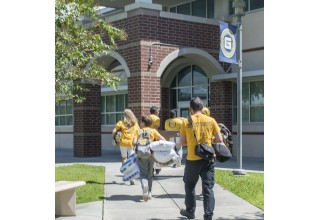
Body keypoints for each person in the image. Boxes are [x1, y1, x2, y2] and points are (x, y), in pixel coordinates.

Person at [179, 97, 223, 220]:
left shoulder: (186, 121)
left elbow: (182, 142)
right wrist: (208, 141)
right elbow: (220, 139)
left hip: (193, 158)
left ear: (190, 109)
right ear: (202, 108)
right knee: (208, 187)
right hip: (208, 158)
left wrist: (193, 141)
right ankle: (208, 215)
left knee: (190, 185)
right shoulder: (211, 120)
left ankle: (190, 211)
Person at [134, 115, 166, 202]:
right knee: (150, 175)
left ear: (143, 123)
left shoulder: (138, 131)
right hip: (151, 155)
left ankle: (144, 188)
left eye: (141, 122)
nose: (140, 123)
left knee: (143, 174)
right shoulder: (153, 131)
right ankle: (150, 192)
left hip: (141, 156)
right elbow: (163, 139)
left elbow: (134, 142)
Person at [112, 109, 140, 185]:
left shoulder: (121, 122)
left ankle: (125, 174)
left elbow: (114, 131)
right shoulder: (135, 123)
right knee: (132, 160)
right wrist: (136, 140)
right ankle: (131, 177)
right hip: (131, 143)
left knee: (124, 158)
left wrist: (114, 137)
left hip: (123, 143)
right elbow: (138, 133)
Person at [149, 106, 161, 174]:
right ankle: (157, 168)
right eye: (158, 111)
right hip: (154, 138)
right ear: (155, 112)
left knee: (150, 154)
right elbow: (155, 129)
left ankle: (151, 169)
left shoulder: (147, 117)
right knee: (156, 154)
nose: (159, 112)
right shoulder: (157, 118)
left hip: (147, 138)